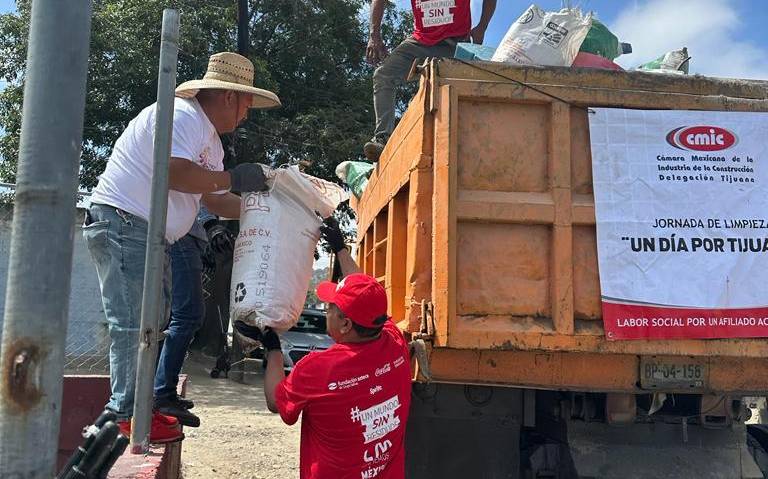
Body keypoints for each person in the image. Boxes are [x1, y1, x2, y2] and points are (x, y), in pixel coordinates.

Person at [83, 52, 280, 443]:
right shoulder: (183, 116)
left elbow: (217, 199)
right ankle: (126, 412)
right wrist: (231, 176)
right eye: (246, 104)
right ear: (228, 96)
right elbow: (172, 171)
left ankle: (138, 408)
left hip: (148, 232)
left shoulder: (210, 141)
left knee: (152, 321)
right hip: (125, 221)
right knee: (136, 324)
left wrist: (268, 213)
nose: (246, 114)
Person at [248, 218, 412, 479]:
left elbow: (275, 402)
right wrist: (341, 248)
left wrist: (273, 349)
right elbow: (366, 295)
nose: (327, 311)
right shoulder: (395, 343)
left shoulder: (317, 369)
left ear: (345, 324)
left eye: (331, 307)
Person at [363, 0, 496, 160]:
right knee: (384, 74)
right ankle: (382, 139)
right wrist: (374, 35)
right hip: (421, 42)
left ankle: (473, 141)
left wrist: (482, 27)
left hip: (456, 43)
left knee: (460, 88)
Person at [152, 206, 234, 428]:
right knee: (188, 315)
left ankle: (161, 390)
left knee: (172, 317)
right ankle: (162, 394)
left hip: (187, 237)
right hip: (181, 236)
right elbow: (193, 192)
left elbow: (216, 197)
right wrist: (210, 224)